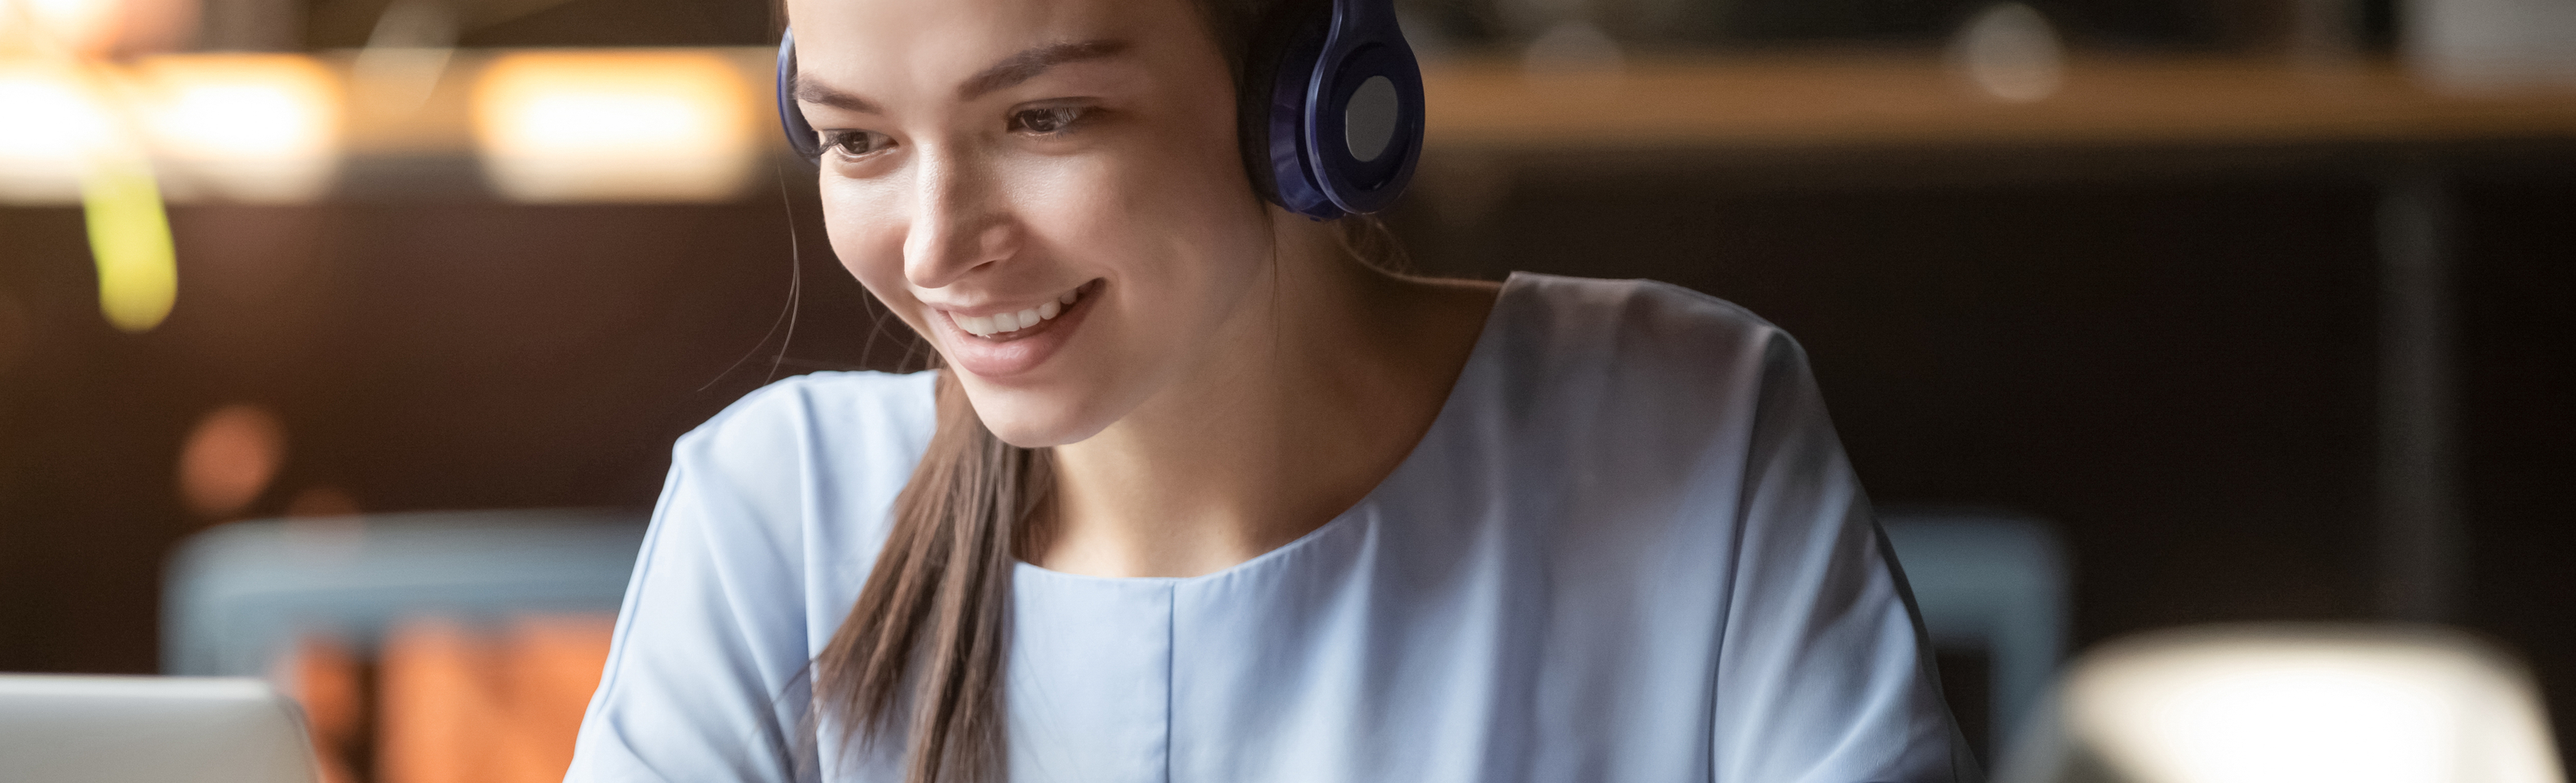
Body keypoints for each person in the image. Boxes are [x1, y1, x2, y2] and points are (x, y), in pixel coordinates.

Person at [563, 0, 1974, 777]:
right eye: (859, 141)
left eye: (1044, 118)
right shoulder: (771, 516)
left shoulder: (1693, 429)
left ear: (1309, 100)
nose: (936, 248)